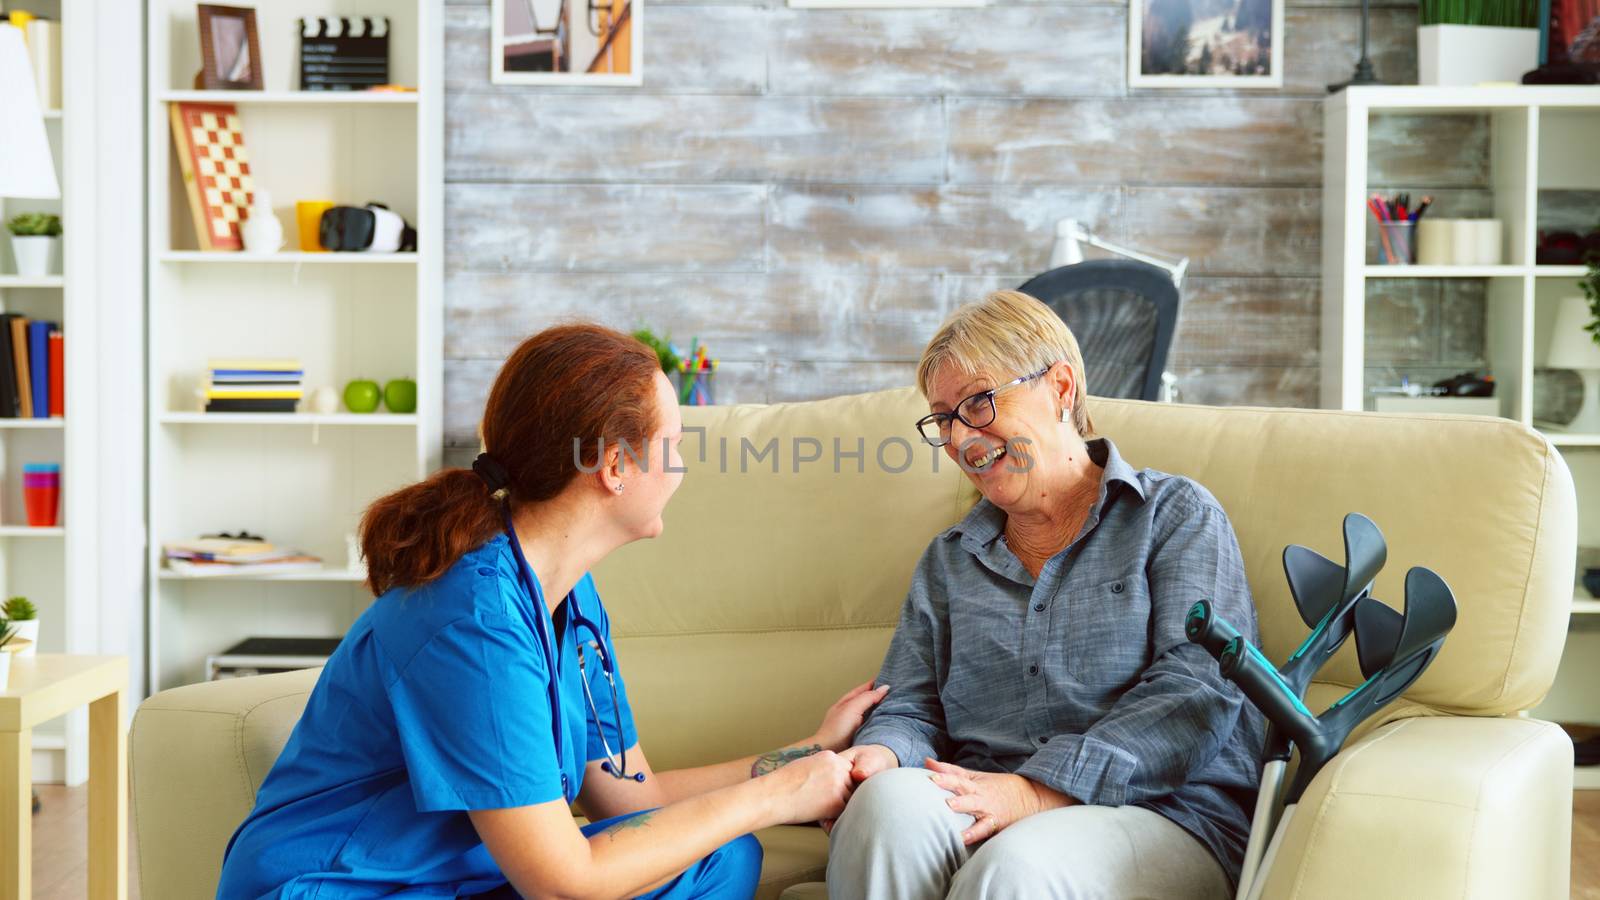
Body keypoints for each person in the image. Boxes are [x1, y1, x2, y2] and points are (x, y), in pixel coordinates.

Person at [217, 324, 883, 899]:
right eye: (673, 446)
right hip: (342, 888)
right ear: (616, 466)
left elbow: (635, 801)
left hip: (452, 882)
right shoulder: (472, 621)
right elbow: (562, 883)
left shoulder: (569, 596)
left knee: (719, 860)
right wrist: (774, 799)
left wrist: (808, 753)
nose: (680, 469)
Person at [826, 291, 1265, 900]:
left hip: (1161, 814)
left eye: (978, 403)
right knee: (885, 807)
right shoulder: (950, 560)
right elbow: (909, 707)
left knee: (1013, 870)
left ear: (1061, 388)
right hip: (983, 796)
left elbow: (1196, 694)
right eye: (944, 418)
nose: (960, 439)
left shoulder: (1175, 517)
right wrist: (876, 756)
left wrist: (1036, 791)